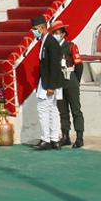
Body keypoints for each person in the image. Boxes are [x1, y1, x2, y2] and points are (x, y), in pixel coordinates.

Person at [31, 17, 64, 150]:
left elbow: (54, 66)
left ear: (42, 28)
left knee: (44, 109)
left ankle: (46, 139)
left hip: (49, 83)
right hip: (46, 81)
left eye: (35, 29)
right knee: (51, 109)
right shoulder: (44, 41)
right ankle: (54, 138)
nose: (34, 32)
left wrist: (51, 86)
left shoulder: (51, 42)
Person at [50, 21, 84, 148]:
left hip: (70, 81)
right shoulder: (52, 48)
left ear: (63, 34)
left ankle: (79, 136)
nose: (55, 35)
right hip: (59, 83)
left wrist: (76, 80)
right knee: (62, 111)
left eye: (57, 33)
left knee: (76, 110)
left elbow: (79, 65)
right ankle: (65, 136)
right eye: (53, 33)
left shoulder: (70, 46)